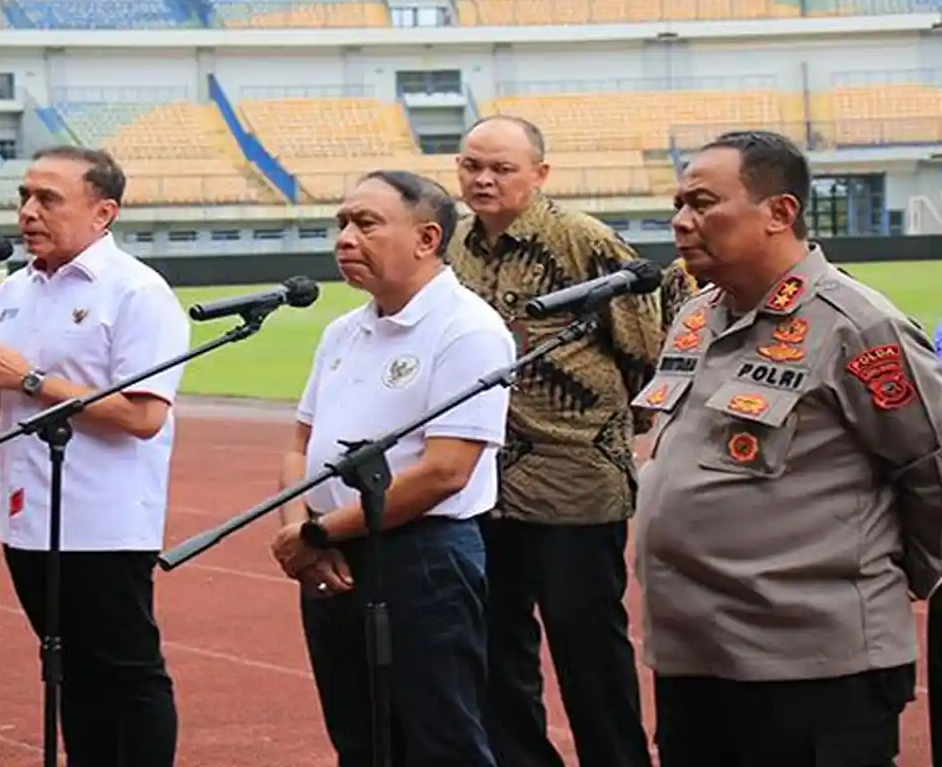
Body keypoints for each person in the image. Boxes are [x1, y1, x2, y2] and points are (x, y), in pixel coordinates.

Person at [631, 129, 942, 766]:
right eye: (679, 204)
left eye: (702, 203)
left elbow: (932, 467)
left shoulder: (857, 324)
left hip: (813, 666)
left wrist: (876, 580)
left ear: (779, 213)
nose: (681, 222)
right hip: (696, 656)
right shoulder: (695, 317)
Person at [0, 145, 190, 767]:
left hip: (104, 517)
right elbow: (0, 412)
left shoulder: (138, 291)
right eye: (24, 197)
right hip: (27, 514)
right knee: (67, 669)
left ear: (102, 211)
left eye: (48, 199)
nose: (29, 211)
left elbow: (143, 415)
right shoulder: (12, 291)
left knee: (126, 670)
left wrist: (29, 379)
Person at [268, 169, 515, 766]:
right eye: (342, 224)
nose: (345, 238)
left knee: (440, 740)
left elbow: (444, 473)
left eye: (366, 223)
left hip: (421, 557)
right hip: (331, 554)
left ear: (427, 238)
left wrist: (318, 533)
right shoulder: (343, 330)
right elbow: (300, 444)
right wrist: (303, 529)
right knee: (359, 740)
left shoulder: (468, 329)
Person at [446, 114, 670, 767]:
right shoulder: (453, 247)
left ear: (540, 174)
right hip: (483, 480)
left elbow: (643, 351)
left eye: (501, 168)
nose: (483, 179)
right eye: (471, 165)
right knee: (493, 645)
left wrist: (604, 431)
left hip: (575, 482)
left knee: (587, 645)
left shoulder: (585, 243)